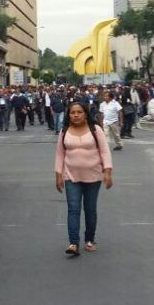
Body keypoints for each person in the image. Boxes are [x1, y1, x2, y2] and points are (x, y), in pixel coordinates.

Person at [55, 102, 113, 256]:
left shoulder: (96, 130)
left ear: (85, 113)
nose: (76, 115)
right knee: (73, 209)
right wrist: (58, 175)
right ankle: (73, 243)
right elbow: (60, 154)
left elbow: (105, 152)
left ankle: (89, 239)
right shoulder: (64, 131)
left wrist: (107, 171)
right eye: (72, 112)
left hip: (93, 176)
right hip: (71, 176)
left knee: (90, 209)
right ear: (69, 115)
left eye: (79, 112)